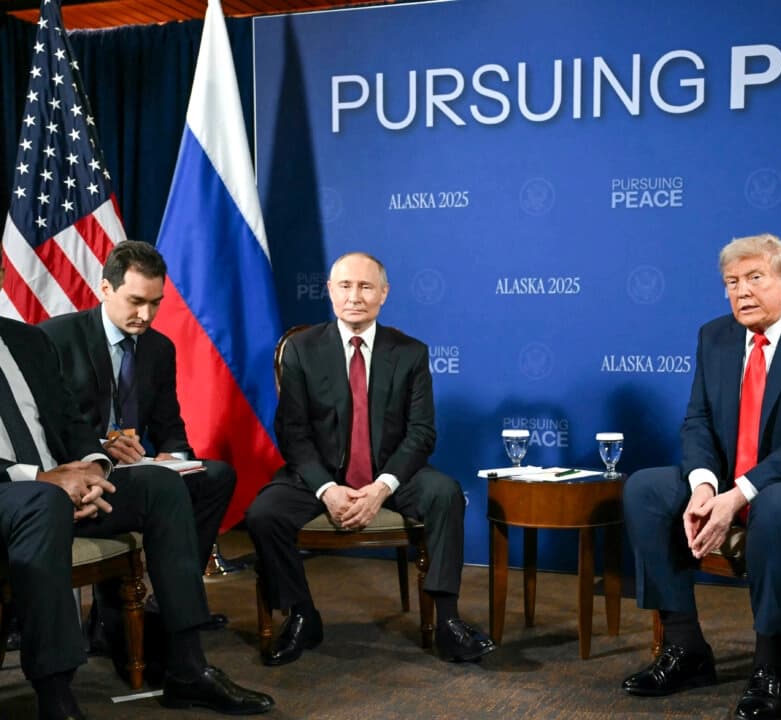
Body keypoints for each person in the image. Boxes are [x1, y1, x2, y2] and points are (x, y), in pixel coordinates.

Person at [0, 259, 273, 719]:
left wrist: (94, 467)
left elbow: (69, 421)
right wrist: (44, 479)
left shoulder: (28, 340)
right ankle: (55, 695)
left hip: (63, 484)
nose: (146, 313)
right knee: (45, 500)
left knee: (162, 485)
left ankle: (188, 667)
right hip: (15, 490)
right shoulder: (61, 333)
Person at [620, 234, 781, 720]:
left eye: (755, 278)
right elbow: (697, 421)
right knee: (646, 489)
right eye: (732, 282)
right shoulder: (714, 335)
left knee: (776, 504)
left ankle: (770, 668)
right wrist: (703, 486)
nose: (742, 292)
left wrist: (739, 494)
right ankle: (685, 648)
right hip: (736, 481)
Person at [245, 252, 495, 666]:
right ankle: (303, 614)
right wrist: (326, 489)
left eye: (365, 287)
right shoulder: (302, 350)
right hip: (320, 475)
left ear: (384, 294)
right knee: (263, 514)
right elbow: (293, 433)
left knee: (445, 493)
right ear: (329, 291)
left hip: (391, 474)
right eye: (345, 286)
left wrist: (382, 488)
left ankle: (448, 621)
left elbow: (421, 433)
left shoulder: (410, 352)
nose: (354, 296)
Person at [39, 240, 233, 632]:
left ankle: (170, 601)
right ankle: (117, 618)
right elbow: (45, 427)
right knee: (159, 487)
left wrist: (174, 458)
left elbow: (169, 424)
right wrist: (100, 449)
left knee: (216, 476)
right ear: (106, 289)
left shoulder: (159, 348)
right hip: (79, 471)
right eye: (135, 301)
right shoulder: (55, 339)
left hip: (138, 469)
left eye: (156, 303)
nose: (146, 315)